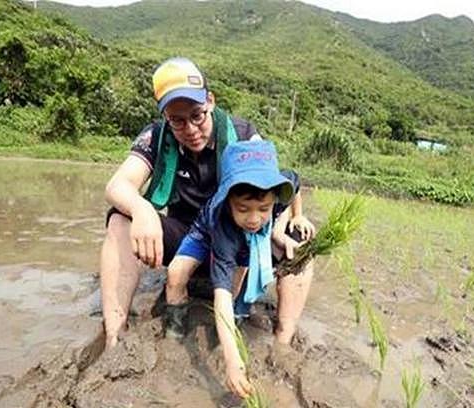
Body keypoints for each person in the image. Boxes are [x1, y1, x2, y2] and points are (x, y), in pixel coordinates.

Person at [100, 57, 262, 349]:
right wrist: (142, 208)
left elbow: (269, 189)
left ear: (210, 101)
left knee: (295, 237)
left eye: (197, 115)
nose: (189, 128)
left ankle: (284, 338)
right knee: (119, 218)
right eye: (177, 120)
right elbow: (117, 186)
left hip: (232, 240)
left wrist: (290, 221)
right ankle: (114, 334)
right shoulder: (156, 136)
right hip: (183, 240)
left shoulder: (243, 135)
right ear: (165, 117)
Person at [168, 140, 315, 398]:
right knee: (177, 274)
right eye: (243, 209)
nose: (254, 218)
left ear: (273, 199)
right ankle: (173, 330)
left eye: (264, 209)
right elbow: (221, 297)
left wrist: (297, 216)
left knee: (239, 281)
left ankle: (245, 323)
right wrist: (232, 360)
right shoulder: (224, 227)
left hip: (245, 239)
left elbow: (295, 183)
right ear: (228, 201)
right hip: (204, 232)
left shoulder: (278, 188)